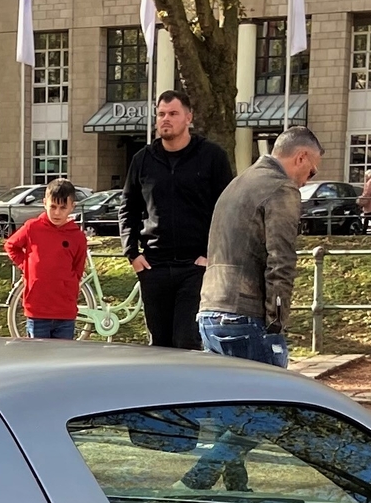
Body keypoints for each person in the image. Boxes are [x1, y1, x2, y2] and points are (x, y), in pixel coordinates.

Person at [199, 126, 320, 365]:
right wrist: (276, 320)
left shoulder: (238, 183)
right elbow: (281, 259)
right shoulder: (281, 187)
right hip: (245, 314)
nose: (307, 180)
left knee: (227, 398)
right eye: (312, 172)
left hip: (210, 310)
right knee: (269, 400)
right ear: (301, 157)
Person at [122, 90, 233, 349]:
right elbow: (128, 207)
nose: (165, 119)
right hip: (153, 266)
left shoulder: (212, 157)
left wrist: (209, 256)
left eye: (173, 114)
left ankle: (188, 390)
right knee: (159, 343)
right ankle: (159, 390)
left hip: (195, 266)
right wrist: (132, 253)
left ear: (188, 118)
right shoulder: (142, 160)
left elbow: (227, 209)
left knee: (186, 340)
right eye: (161, 114)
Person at [7, 178, 88, 339]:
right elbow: (11, 246)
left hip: (65, 311)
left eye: (63, 208)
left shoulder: (77, 237)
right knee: (37, 359)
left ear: (72, 207)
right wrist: (27, 266)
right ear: (45, 203)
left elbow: (78, 269)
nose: (57, 213)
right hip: (37, 310)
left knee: (63, 360)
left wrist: (69, 283)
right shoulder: (32, 228)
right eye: (53, 207)